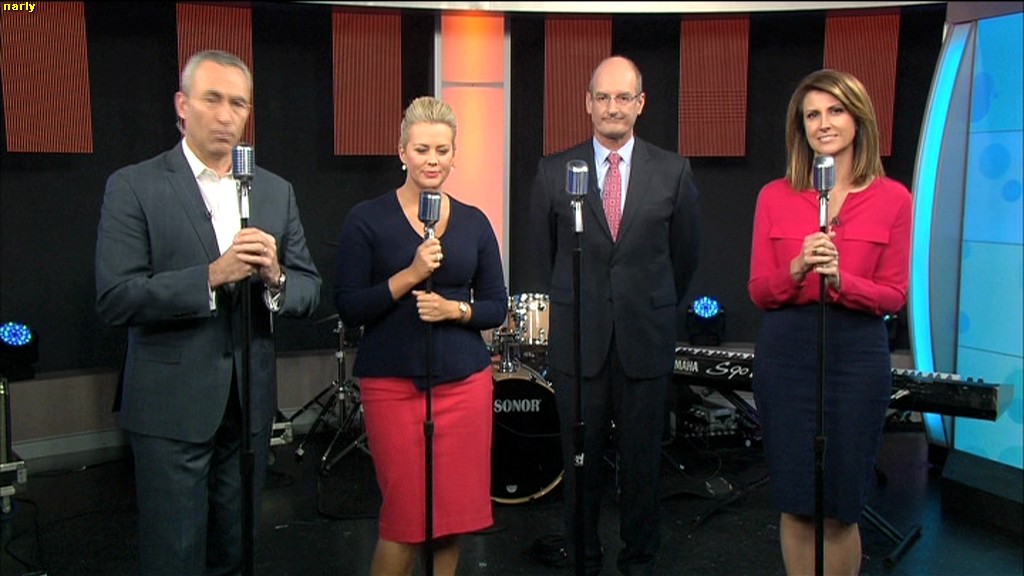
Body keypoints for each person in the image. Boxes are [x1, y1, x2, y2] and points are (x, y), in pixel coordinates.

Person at [95, 50, 322, 575]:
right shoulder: (134, 186)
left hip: (249, 409)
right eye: (212, 99)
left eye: (237, 103)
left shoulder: (275, 191)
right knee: (174, 557)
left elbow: (310, 291)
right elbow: (116, 297)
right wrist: (210, 276)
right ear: (182, 105)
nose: (225, 115)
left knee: (237, 553)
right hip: (170, 408)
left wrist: (277, 278)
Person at [526, 55, 701, 576]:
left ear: (640, 104)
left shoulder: (674, 171)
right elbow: (544, 257)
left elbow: (685, 257)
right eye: (602, 97)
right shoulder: (554, 171)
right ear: (587, 103)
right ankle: (583, 558)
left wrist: (646, 303)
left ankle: (639, 560)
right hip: (579, 344)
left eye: (623, 97)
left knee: (642, 464)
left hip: (645, 340)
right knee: (580, 465)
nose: (612, 107)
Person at [333, 96, 508, 576]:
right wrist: (409, 275)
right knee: (404, 522)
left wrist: (456, 310)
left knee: (451, 521)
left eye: (442, 150)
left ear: (454, 155)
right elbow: (349, 305)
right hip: (393, 385)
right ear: (402, 152)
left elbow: (497, 304)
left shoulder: (474, 222)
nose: (433, 160)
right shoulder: (366, 219)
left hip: (465, 384)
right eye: (422, 149)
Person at [747, 68, 912, 576]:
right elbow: (759, 290)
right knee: (796, 501)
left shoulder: (894, 199)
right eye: (812, 115)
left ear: (858, 119)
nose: (824, 123)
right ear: (801, 127)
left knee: (841, 507)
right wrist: (797, 269)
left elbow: (894, 294)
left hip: (856, 354)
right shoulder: (774, 195)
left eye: (835, 111)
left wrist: (843, 281)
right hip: (787, 352)